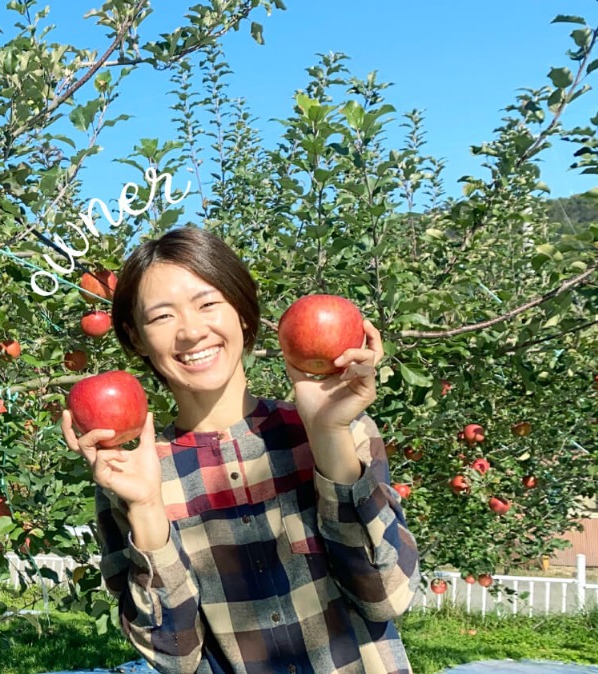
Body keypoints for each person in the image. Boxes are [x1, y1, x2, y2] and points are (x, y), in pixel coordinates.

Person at [61, 226, 421, 674]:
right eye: (162, 316)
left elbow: (387, 596)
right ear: (136, 338)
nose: (192, 331)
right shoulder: (134, 473)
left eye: (208, 303)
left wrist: (328, 435)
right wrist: (147, 507)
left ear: (243, 314)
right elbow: (174, 656)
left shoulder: (344, 432)